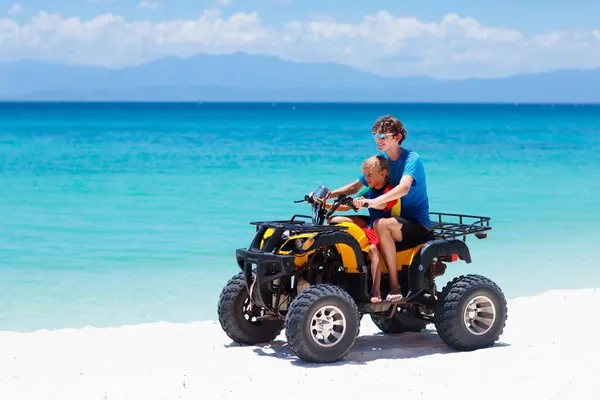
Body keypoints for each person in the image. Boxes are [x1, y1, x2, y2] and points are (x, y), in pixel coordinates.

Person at [328, 115, 431, 302]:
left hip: (413, 222)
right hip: (387, 216)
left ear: (397, 138)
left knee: (381, 224)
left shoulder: (412, 159)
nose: (377, 139)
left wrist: (374, 202)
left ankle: (394, 285)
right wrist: (327, 196)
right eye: (375, 135)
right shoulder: (381, 160)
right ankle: (357, 273)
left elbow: (404, 187)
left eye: (383, 136)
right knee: (338, 222)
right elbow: (355, 187)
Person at [328, 155, 399, 303]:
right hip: (370, 225)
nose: (366, 178)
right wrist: (324, 204)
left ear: (383, 173)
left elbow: (382, 205)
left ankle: (376, 290)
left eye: (369, 175)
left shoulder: (389, 190)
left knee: (373, 249)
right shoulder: (368, 189)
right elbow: (347, 206)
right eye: (365, 175)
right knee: (335, 221)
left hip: (383, 229)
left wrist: (368, 203)